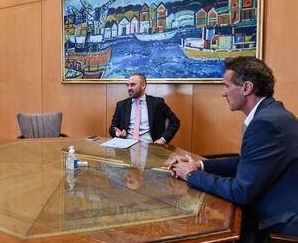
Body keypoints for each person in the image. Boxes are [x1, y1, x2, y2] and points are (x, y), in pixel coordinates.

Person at [169, 57, 298, 241]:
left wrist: (190, 175)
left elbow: (240, 192)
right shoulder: (272, 114)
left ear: (246, 88)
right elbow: (245, 161)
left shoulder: (265, 123)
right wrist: (199, 165)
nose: (223, 93)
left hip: (276, 222)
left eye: (226, 86)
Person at [109, 73, 180, 144]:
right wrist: (116, 133)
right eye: (128, 85)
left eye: (133, 85)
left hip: (151, 145)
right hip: (126, 145)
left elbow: (175, 122)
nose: (129, 88)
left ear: (143, 86)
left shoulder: (157, 103)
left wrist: (163, 139)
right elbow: (112, 127)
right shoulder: (121, 105)